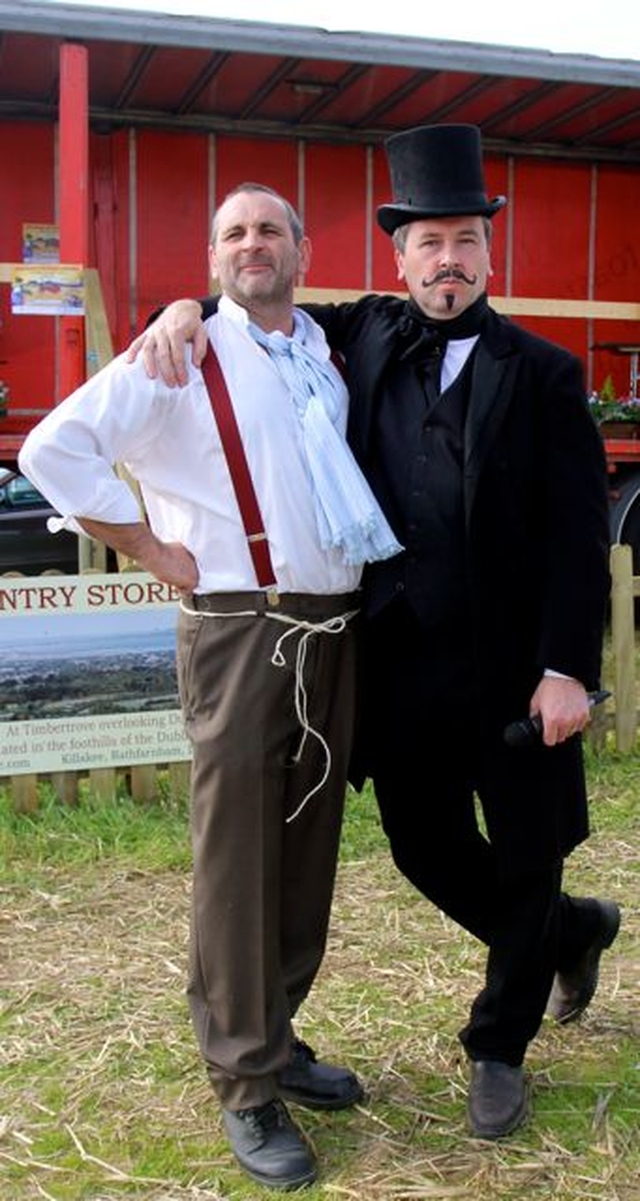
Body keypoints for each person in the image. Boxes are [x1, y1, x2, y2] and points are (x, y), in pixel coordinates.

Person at [127, 125, 620, 1141]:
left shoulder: (544, 372)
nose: (448, 261)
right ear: (400, 258)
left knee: (527, 857)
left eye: (465, 243)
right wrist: (177, 305)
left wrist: (570, 666)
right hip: (399, 664)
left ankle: (497, 1044)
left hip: (521, 669)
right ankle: (569, 933)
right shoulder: (356, 336)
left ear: (490, 255)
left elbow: (580, 535)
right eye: (428, 243)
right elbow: (249, 308)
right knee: (424, 848)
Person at [19, 183, 404, 1191]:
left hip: (329, 629)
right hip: (240, 629)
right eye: (233, 233)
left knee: (306, 848)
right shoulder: (180, 351)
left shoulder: (319, 350)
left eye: (270, 229)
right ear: (214, 256)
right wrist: (147, 542)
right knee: (237, 860)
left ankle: (272, 1037)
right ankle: (242, 1084)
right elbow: (53, 448)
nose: (253, 244)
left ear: (302, 251)